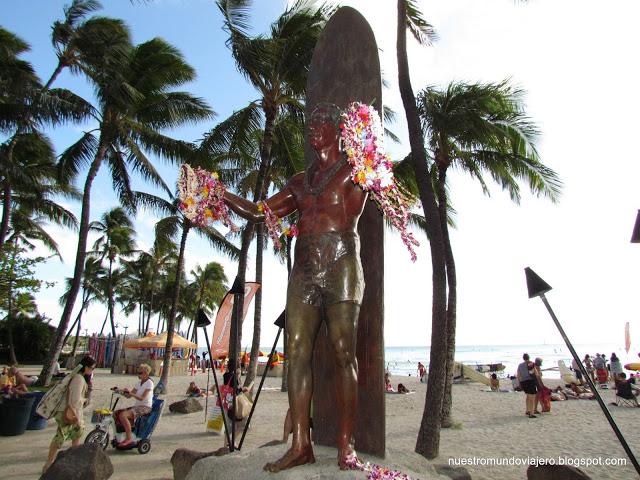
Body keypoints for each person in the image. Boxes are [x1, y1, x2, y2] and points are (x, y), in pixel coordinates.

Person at [224, 103, 368, 471]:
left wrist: (371, 151)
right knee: (297, 350)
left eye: (322, 121)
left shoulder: (356, 170)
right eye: (310, 122)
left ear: (338, 129)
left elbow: (378, 182)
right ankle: (301, 444)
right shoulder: (299, 181)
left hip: (342, 263)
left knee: (342, 352)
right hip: (304, 268)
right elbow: (260, 212)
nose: (313, 127)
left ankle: (346, 445)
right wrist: (219, 193)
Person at [42, 355, 96, 474]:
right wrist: (84, 401)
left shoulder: (78, 377)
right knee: (61, 437)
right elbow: (74, 400)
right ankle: (49, 463)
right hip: (70, 412)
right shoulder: (79, 379)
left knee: (76, 434)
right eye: (92, 368)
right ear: (86, 367)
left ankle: (70, 461)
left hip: (71, 412)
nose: (92, 371)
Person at [115, 363, 154, 448]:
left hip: (145, 407)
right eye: (138, 373)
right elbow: (129, 396)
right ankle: (121, 436)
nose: (138, 375)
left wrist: (131, 393)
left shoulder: (149, 383)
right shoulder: (139, 383)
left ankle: (129, 439)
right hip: (137, 406)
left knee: (123, 415)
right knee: (117, 413)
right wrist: (121, 391)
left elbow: (141, 398)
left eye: (140, 373)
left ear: (146, 373)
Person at [516, 353, 538, 418]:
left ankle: (527, 410)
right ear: (529, 357)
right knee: (532, 397)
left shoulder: (520, 365)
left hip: (523, 382)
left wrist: (520, 383)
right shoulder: (531, 364)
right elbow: (536, 373)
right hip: (530, 381)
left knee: (528, 396)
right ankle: (531, 413)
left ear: (523, 358)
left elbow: (518, 375)